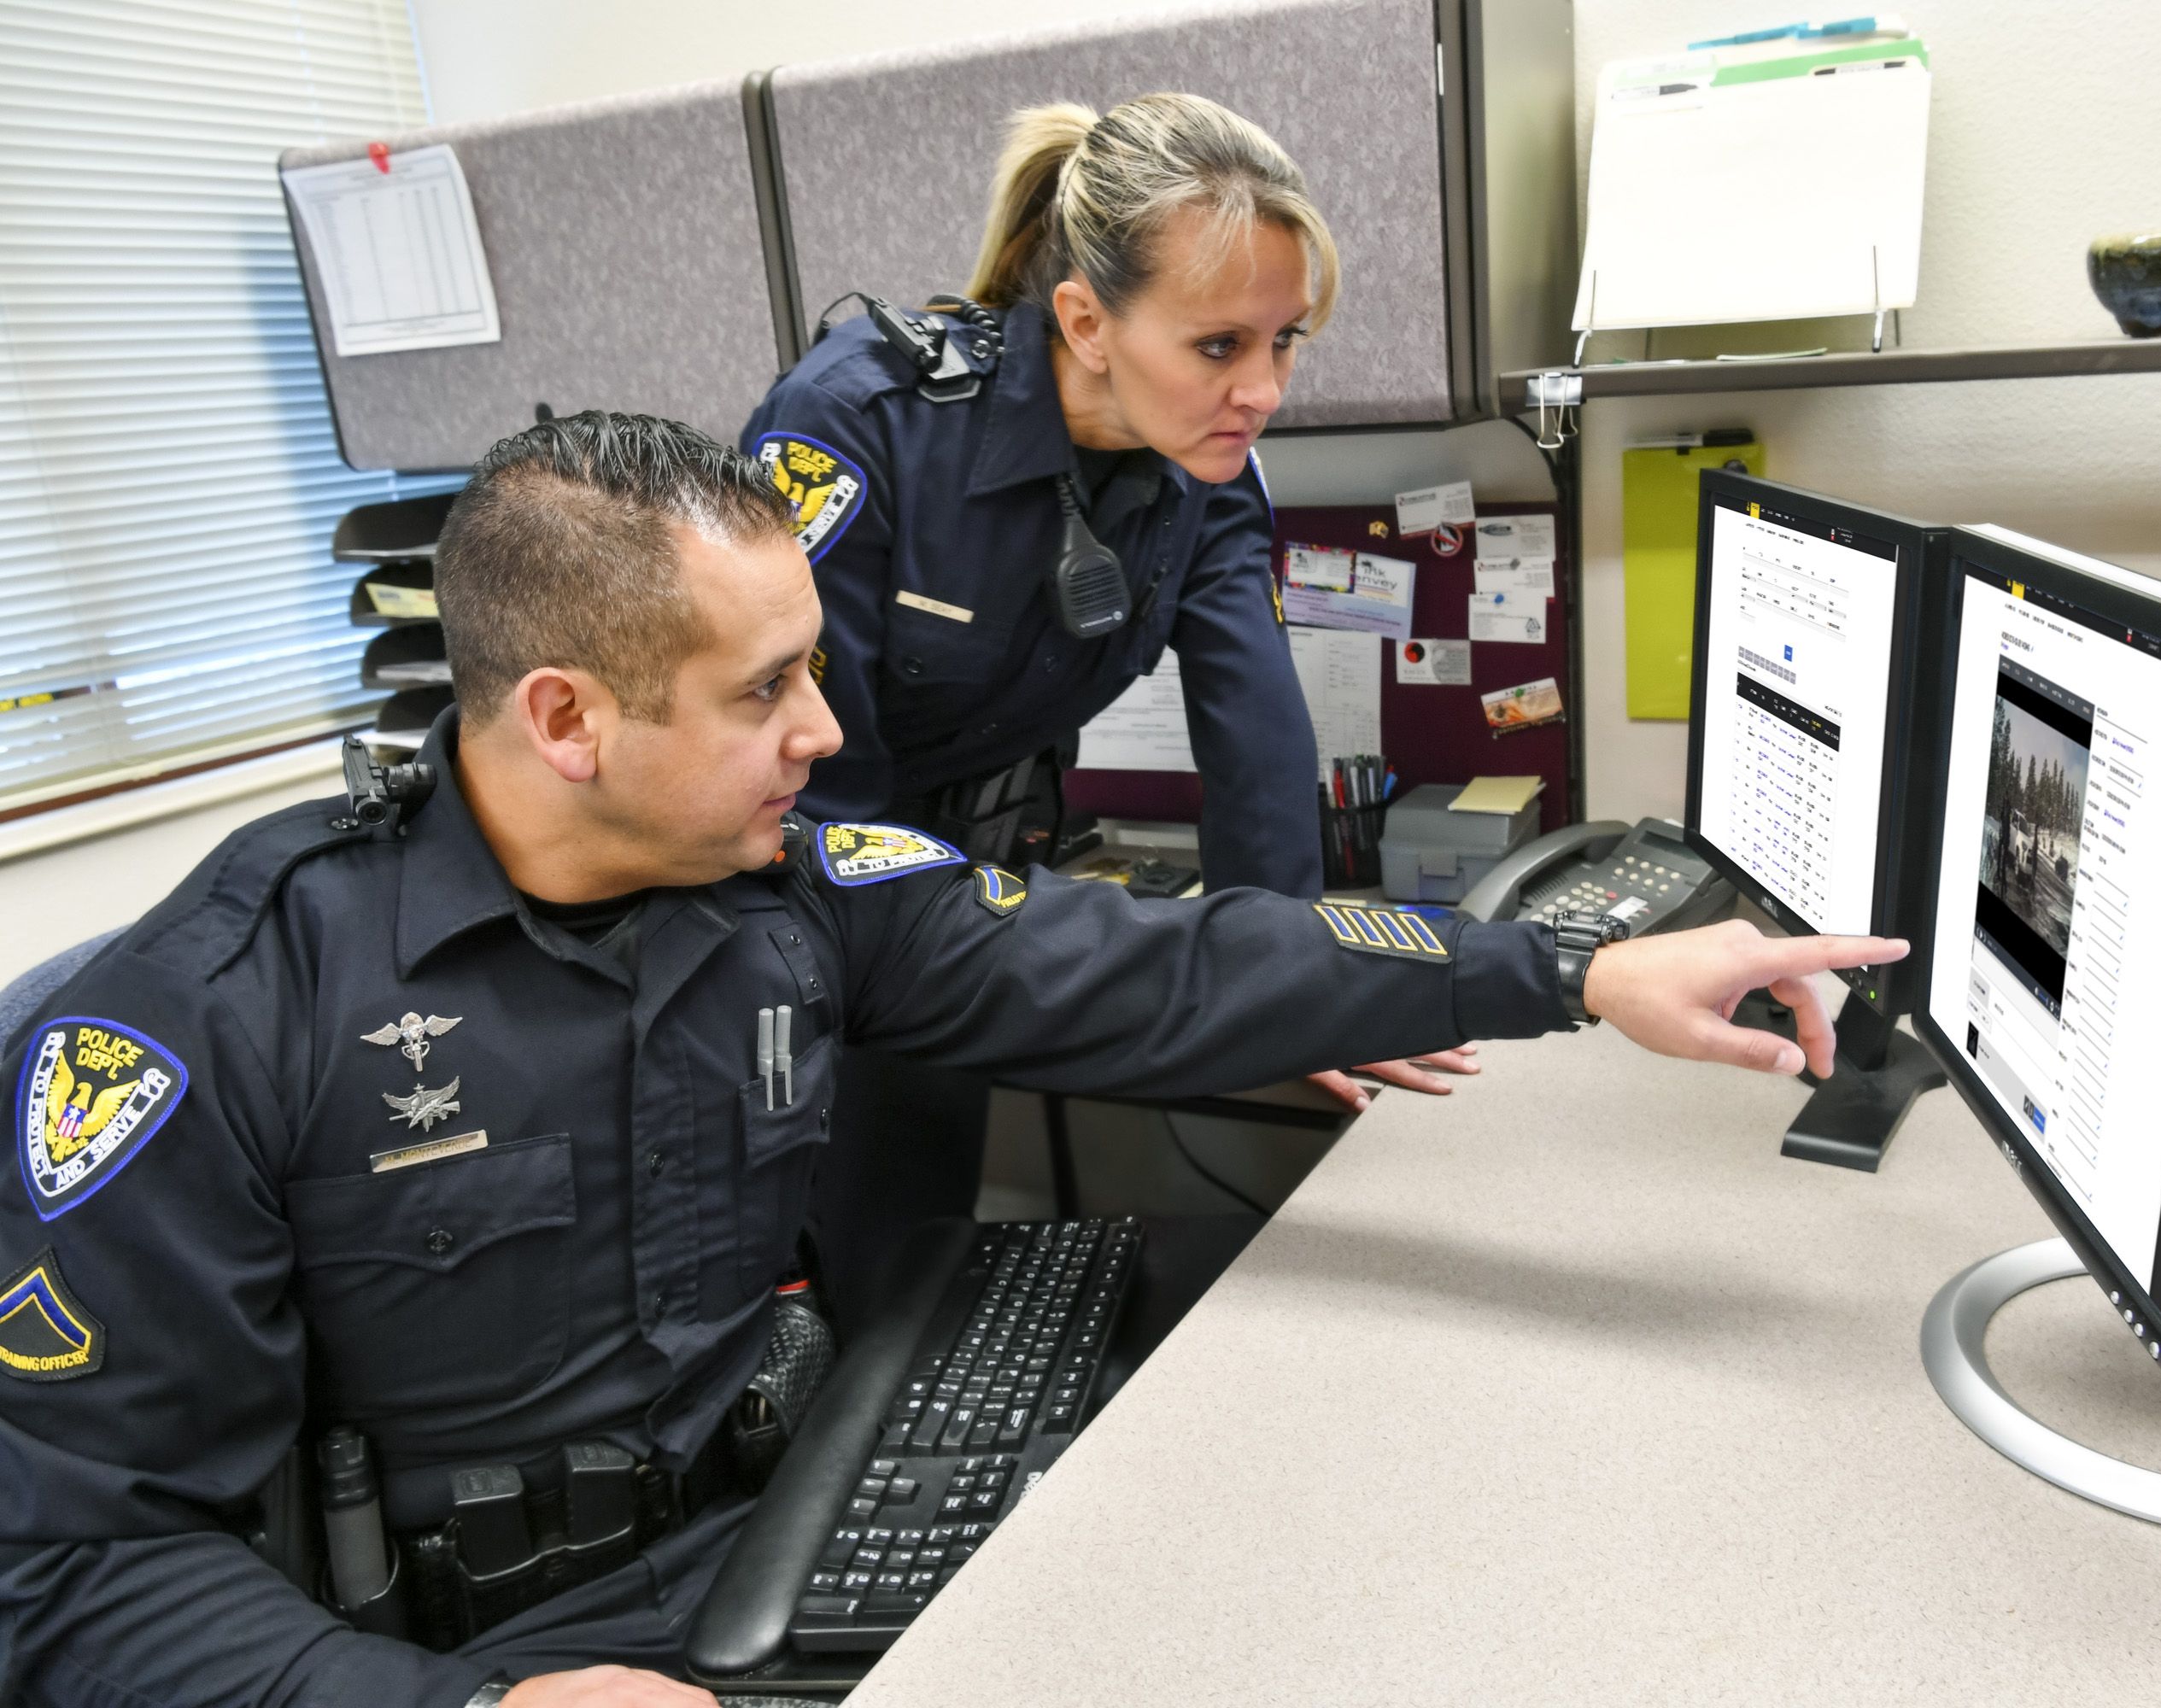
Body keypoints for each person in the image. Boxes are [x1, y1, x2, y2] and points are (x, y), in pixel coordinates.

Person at [0, 414, 1899, 1708]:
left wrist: (1573, 968)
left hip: (799, 1510)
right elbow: (66, 1568)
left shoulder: (790, 888)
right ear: (567, 717)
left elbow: (1170, 962)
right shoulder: (212, 1014)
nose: (827, 733)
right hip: (511, 1656)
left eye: (817, 666)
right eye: (765, 694)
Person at [741, 93, 1461, 1313]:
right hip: (809, 914)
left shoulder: (1202, 471)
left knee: (935, 1272)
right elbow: (813, 778)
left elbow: (1255, 731)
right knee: (861, 1278)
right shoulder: (855, 425)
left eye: (1286, 341)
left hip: (967, 884)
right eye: (1221, 346)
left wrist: (1287, 982)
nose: (1266, 389)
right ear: (1085, 318)